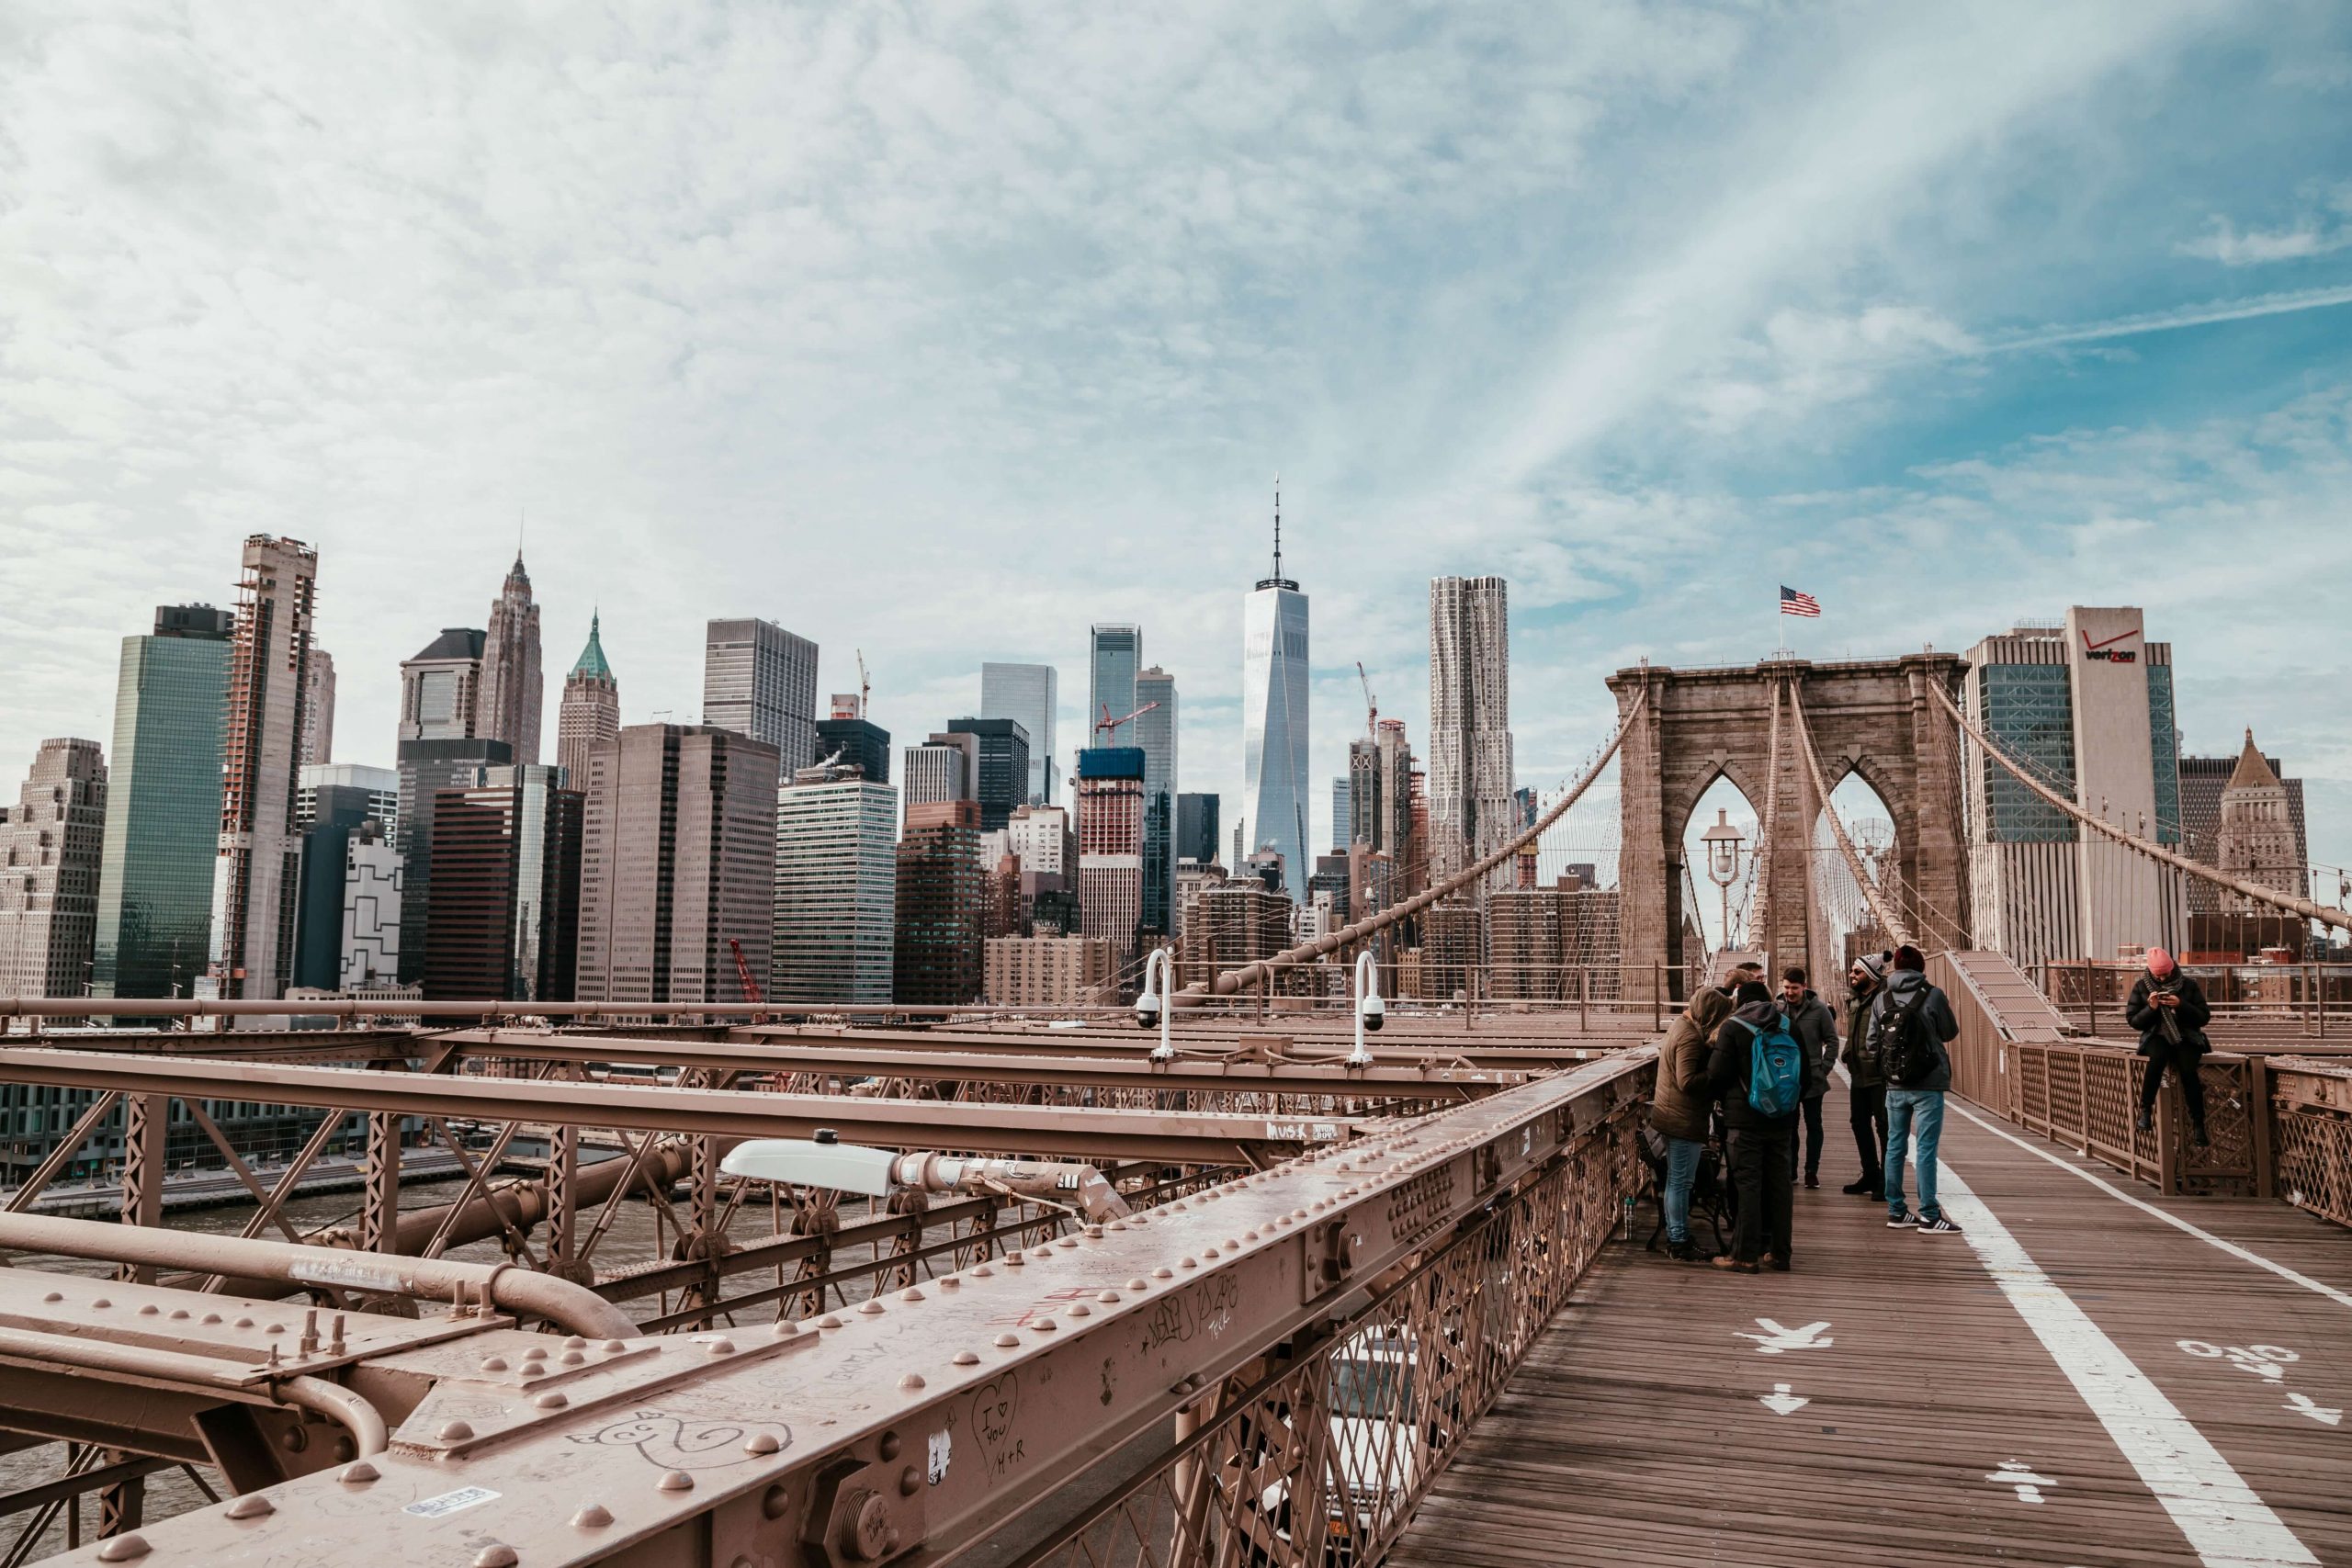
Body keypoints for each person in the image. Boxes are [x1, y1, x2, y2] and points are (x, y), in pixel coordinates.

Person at [1707, 979, 1797, 1273]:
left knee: (1748, 1186)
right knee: (1780, 1186)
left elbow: (1716, 1076)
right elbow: (1803, 1073)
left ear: (1739, 1001)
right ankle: (1780, 1253)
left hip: (1744, 1122)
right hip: (1782, 1121)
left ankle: (1745, 1255)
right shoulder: (1786, 1025)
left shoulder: (1733, 1027)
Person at [1875, 944, 1962, 1235]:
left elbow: (1872, 1043)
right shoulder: (1933, 994)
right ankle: (1928, 1215)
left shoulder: (1882, 997)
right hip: (1928, 1083)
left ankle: (1897, 1211)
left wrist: (1890, 1070)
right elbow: (1949, 1032)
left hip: (1894, 1085)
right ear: (1922, 968)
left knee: (1894, 1147)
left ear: (1895, 969)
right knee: (1925, 1149)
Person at [1649, 987, 1734, 1261]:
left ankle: (1677, 1236)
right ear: (1711, 1013)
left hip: (1674, 1115)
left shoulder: (1681, 1025)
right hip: (1682, 1118)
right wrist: (1716, 1075)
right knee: (1680, 1182)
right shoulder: (1690, 1037)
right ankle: (1678, 1240)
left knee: (1677, 1181)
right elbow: (1687, 1081)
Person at [2127, 947, 2212, 1147]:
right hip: (2156, 1036)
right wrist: (2151, 1009)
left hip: (2186, 1037)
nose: (2163, 979)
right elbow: (2134, 1022)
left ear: (2172, 968)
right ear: (2151, 972)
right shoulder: (2141, 986)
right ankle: (2145, 1111)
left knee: (2189, 1070)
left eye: (2166, 974)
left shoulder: (2189, 985)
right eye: (2159, 975)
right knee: (2156, 1060)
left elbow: (2203, 1017)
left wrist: (2180, 1005)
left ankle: (2198, 1124)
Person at [1778, 966, 1839, 1189]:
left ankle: (1811, 1171)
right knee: (1789, 1126)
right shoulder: (1776, 1009)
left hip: (1813, 1078)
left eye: (1794, 988)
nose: (1789, 992)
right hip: (1786, 1078)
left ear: (1804, 986)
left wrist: (1824, 1069)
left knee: (1814, 1125)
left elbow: (1833, 1041)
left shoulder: (1820, 1010)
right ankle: (1790, 1170)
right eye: (1786, 987)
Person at [1838, 952, 1892, 1198]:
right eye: (1852, 971)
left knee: (1884, 1127)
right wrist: (1848, 1053)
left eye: (1857, 972)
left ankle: (1887, 1181)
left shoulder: (1885, 999)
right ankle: (1871, 1173)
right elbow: (1853, 1034)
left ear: (1870, 975)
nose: (1852, 975)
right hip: (1859, 1073)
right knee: (1858, 1123)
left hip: (1880, 1075)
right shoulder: (1855, 1000)